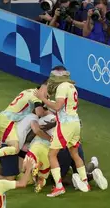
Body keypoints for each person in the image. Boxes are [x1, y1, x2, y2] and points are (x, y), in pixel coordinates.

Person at [34, 66, 90, 197]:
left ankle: (59, 186)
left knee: (52, 154)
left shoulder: (61, 87)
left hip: (66, 125)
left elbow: (58, 107)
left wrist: (43, 99)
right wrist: (48, 102)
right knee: (74, 153)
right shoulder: (71, 86)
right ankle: (85, 181)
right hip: (75, 122)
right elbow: (65, 105)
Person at [0, 83, 46, 179]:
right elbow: (39, 113)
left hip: (3, 118)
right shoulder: (36, 97)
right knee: (15, 148)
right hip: (7, 121)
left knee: (7, 153)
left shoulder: (27, 91)